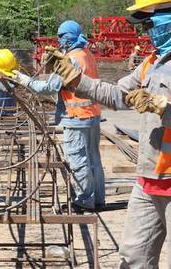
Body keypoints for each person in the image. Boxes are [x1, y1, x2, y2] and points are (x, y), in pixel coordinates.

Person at [46, 0, 171, 268]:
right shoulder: (150, 64)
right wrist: (75, 78)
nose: (146, 33)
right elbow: (115, 95)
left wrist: (163, 108)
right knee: (133, 256)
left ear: (169, 18)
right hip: (148, 178)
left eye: (149, 24)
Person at [11, 20, 105, 211]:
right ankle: (98, 199)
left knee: (78, 160)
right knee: (94, 159)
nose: (59, 40)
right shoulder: (86, 54)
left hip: (76, 116)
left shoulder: (70, 59)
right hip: (92, 115)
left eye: (61, 36)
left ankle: (84, 201)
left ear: (68, 37)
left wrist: (22, 79)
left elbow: (47, 87)